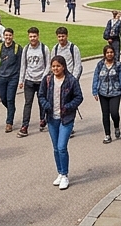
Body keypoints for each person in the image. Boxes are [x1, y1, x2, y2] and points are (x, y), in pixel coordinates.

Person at [38, 55, 84, 189]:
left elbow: (79, 97)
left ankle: (65, 175)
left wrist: (68, 107)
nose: (55, 68)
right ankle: (59, 172)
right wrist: (46, 105)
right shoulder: (47, 80)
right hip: (52, 118)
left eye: (58, 66)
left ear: (63, 67)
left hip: (66, 118)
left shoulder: (71, 80)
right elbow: (41, 95)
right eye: (53, 66)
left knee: (62, 147)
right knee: (56, 148)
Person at [91, 44, 121, 143]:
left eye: (111, 52)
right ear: (104, 54)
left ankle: (116, 126)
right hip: (102, 93)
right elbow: (96, 77)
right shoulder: (100, 65)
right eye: (107, 52)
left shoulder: (118, 65)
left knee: (114, 113)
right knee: (105, 114)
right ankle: (107, 134)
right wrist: (94, 91)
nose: (109, 54)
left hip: (115, 92)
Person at [17, 27, 49, 138]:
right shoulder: (26, 49)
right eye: (30, 36)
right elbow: (23, 65)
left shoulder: (44, 49)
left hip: (41, 80)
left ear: (38, 36)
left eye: (34, 36)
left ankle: (42, 119)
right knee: (28, 103)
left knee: (42, 102)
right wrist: (21, 80)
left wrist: (44, 78)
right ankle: (24, 126)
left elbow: (48, 65)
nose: (32, 38)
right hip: (29, 80)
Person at [0, 27, 22, 132]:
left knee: (10, 99)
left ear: (13, 36)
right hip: (2, 77)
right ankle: (11, 109)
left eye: (10, 35)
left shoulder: (17, 48)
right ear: (4, 36)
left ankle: (9, 122)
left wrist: (20, 78)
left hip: (13, 77)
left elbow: (21, 64)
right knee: (3, 98)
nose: (8, 37)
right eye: (6, 35)